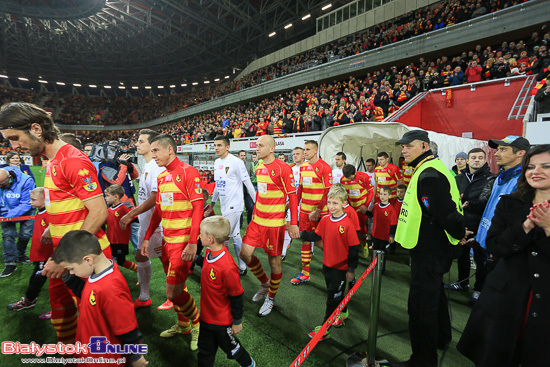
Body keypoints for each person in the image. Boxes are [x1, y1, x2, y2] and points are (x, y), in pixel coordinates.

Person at [0, 102, 110, 344]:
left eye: (15, 138)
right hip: (65, 254)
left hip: (85, 257)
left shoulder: (72, 161)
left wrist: (63, 256)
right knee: (61, 309)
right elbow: (69, 203)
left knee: (98, 324)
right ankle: (70, 355)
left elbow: (99, 212)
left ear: (36, 128)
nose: (14, 146)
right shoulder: (54, 161)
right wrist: (53, 226)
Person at [457, 144, 550, 367]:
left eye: (546, 166)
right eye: (530, 166)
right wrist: (526, 226)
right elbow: (495, 245)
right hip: (505, 298)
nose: (535, 171)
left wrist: (548, 229)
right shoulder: (510, 202)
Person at [394, 130, 466, 367]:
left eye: (409, 146)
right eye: (402, 147)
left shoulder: (429, 174)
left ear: (424, 146)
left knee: (420, 307)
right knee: (434, 297)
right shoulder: (430, 168)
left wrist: (459, 233)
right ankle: (442, 338)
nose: (404, 150)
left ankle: (422, 360)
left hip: (429, 250)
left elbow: (445, 212)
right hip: (431, 248)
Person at [52, 230, 148, 367]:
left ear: (88, 260)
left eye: (71, 268)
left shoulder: (111, 288)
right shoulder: (97, 273)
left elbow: (127, 327)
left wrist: (136, 356)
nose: (71, 272)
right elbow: (88, 296)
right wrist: (68, 278)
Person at [142, 134, 202, 350]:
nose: (153, 154)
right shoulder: (162, 176)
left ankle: (197, 323)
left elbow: (197, 209)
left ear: (170, 150)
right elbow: (158, 210)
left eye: (156, 150)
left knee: (172, 292)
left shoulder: (188, 172)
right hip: (167, 241)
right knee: (178, 287)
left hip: (183, 243)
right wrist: (148, 237)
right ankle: (183, 324)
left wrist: (193, 242)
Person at [239, 135, 299, 316]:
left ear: (271, 148)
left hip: (274, 225)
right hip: (257, 222)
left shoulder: (284, 168)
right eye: (256, 145)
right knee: (244, 254)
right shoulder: (259, 167)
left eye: (260, 145)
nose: (257, 148)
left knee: (274, 262)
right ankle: (265, 283)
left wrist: (293, 223)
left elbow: (293, 197)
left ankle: (271, 297)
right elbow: (261, 194)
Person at [197, 216, 256, 367]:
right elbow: (205, 263)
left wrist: (237, 322)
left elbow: (236, 295)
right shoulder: (210, 253)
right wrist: (194, 259)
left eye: (201, 234)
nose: (199, 236)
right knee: (204, 352)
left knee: (234, 350)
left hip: (222, 323)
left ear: (210, 239)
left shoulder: (227, 266)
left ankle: (249, 364)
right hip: (205, 319)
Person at [119, 129, 168, 310]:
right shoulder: (147, 165)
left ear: (152, 145)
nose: (137, 144)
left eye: (141, 141)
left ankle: (177, 293)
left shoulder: (157, 168)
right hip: (145, 222)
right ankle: (144, 297)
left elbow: (155, 199)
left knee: (167, 262)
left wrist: (131, 213)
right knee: (140, 257)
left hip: (157, 225)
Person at [306, 184, 359, 340]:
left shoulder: (347, 224)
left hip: (341, 269)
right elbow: (316, 237)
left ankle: (325, 330)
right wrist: (299, 233)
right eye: (329, 202)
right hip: (327, 265)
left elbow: (354, 249)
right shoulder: (325, 219)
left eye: (335, 203)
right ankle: (344, 311)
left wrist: (351, 270)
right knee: (334, 294)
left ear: (344, 203)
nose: (331, 206)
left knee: (332, 299)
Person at [448, 148, 494, 304]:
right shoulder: (459, 178)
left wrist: (469, 205)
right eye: (473, 157)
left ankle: (479, 289)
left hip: (480, 224)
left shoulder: (490, 178)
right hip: (461, 223)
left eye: (480, 157)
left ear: (485, 160)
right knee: (462, 254)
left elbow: (489, 203)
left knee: (481, 258)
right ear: (467, 160)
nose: (477, 160)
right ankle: (462, 283)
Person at [206, 136, 256, 276]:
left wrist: (256, 203)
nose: (216, 148)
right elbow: (218, 185)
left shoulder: (236, 162)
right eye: (215, 145)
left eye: (219, 145)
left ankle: (225, 267)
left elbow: (248, 183)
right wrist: (212, 204)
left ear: (227, 147)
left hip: (235, 205)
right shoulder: (216, 162)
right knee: (235, 235)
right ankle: (242, 265)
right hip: (224, 205)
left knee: (223, 236)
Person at [475, 136, 530, 254]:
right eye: (498, 149)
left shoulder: (523, 182)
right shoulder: (501, 177)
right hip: (486, 242)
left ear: (521, 153)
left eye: (503, 150)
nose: (496, 154)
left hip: (500, 248)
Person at [292, 140, 333, 285]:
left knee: (321, 242)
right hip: (304, 212)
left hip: (320, 213)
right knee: (305, 240)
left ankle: (336, 262)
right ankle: (305, 273)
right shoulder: (303, 167)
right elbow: (301, 188)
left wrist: (317, 210)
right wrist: (294, 204)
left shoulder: (324, 167)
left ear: (316, 150)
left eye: (308, 149)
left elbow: (328, 191)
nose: (305, 152)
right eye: (304, 149)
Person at [6, 187, 51, 318]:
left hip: (46, 256)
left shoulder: (49, 215)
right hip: (40, 254)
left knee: (37, 280)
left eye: (33, 200)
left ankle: (29, 301)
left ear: (44, 201)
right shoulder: (40, 211)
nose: (30, 202)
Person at [0, 166, 35, 276]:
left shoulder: (26, 181)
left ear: (9, 177)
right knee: (7, 234)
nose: (0, 186)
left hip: (26, 212)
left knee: (25, 235)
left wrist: (8, 215)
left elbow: (26, 203)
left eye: (2, 184)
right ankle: (10, 262)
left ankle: (20, 254)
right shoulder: (1, 180)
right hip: (5, 211)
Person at [341, 164, 374, 258]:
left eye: (351, 178)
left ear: (355, 172)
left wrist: (365, 205)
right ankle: (349, 246)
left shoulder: (364, 177)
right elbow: (344, 193)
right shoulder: (343, 179)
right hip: (350, 208)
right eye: (347, 178)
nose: (349, 180)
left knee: (362, 228)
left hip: (361, 208)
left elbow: (370, 191)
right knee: (348, 228)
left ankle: (364, 245)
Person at [105, 185, 137, 272]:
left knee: (121, 261)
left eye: (107, 196)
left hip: (120, 242)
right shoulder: (108, 211)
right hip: (110, 241)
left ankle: (140, 271)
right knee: (108, 260)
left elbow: (135, 218)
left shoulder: (123, 208)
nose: (105, 198)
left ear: (116, 197)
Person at [282, 146, 305, 260]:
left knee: (306, 230)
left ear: (303, 155)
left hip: (305, 203)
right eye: (294, 154)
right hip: (292, 202)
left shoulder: (307, 169)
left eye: (297, 154)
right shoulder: (290, 169)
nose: (295, 156)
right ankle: (283, 251)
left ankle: (310, 252)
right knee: (288, 226)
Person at [371, 186, 398, 272]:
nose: (382, 196)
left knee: (382, 253)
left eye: (385, 194)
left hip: (384, 236)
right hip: (375, 234)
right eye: (381, 194)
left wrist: (391, 235)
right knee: (375, 251)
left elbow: (393, 224)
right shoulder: (376, 206)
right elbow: (372, 216)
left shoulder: (391, 209)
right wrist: (365, 212)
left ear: (390, 196)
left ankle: (381, 268)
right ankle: (373, 267)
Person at [238, 150, 255, 227]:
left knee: (251, 206)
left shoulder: (249, 164)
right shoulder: (235, 165)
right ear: (238, 156)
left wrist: (247, 180)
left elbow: (253, 175)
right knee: (239, 208)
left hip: (247, 189)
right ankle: (240, 224)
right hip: (238, 189)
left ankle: (249, 223)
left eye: (244, 155)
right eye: (241, 155)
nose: (243, 157)